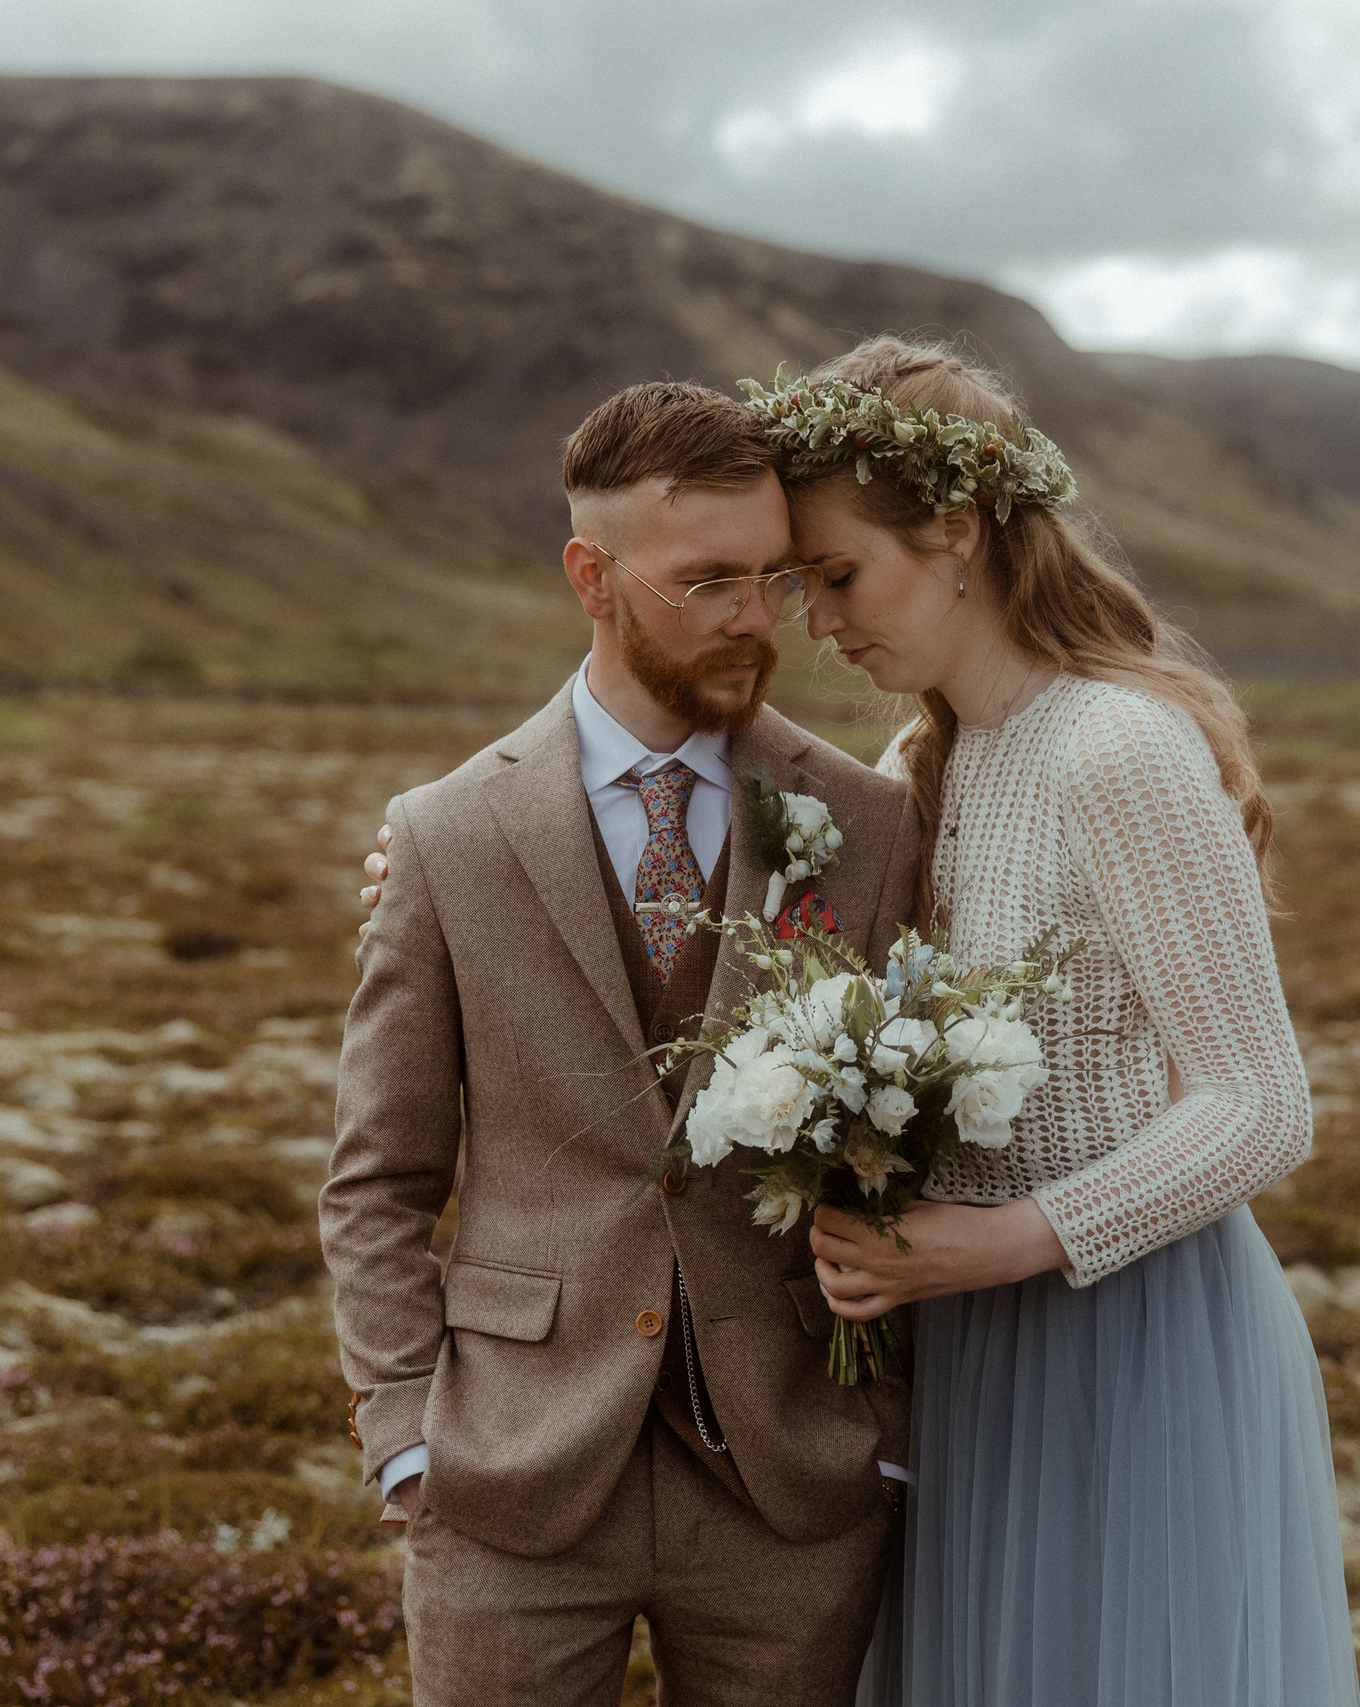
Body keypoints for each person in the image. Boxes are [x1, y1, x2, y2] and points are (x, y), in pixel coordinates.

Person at [773, 336, 1360, 1706]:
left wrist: (1019, 1240)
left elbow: (1262, 1102)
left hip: (1139, 1333)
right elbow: (760, 907)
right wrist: (431, 866)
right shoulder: (926, 760)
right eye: (800, 584)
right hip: (971, 1340)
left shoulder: (1119, 747)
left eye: (838, 574)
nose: (817, 619)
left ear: (958, 534)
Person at [323, 381, 921, 1707]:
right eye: (705, 581)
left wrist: (881, 1434)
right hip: (506, 1479)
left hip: (791, 1488)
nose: (755, 620)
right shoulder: (444, 836)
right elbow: (378, 1181)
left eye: (772, 578)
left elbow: (909, 1161)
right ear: (591, 577)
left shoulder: (868, 823)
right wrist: (405, 1434)